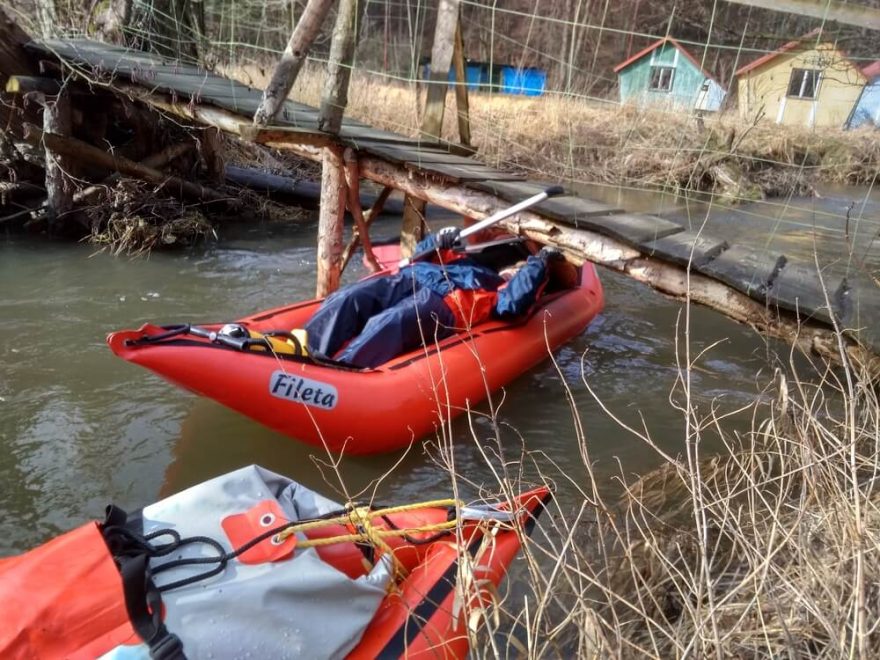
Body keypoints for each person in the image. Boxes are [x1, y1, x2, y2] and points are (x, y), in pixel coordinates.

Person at [304, 227, 565, 369]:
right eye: (514, 267)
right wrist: (438, 240)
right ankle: (305, 345)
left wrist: (538, 263)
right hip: (413, 276)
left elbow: (514, 304)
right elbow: (420, 254)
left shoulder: (499, 290)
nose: (512, 271)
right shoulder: (461, 257)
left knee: (390, 321)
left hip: (447, 302)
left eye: (517, 270)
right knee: (350, 297)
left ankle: (343, 367)